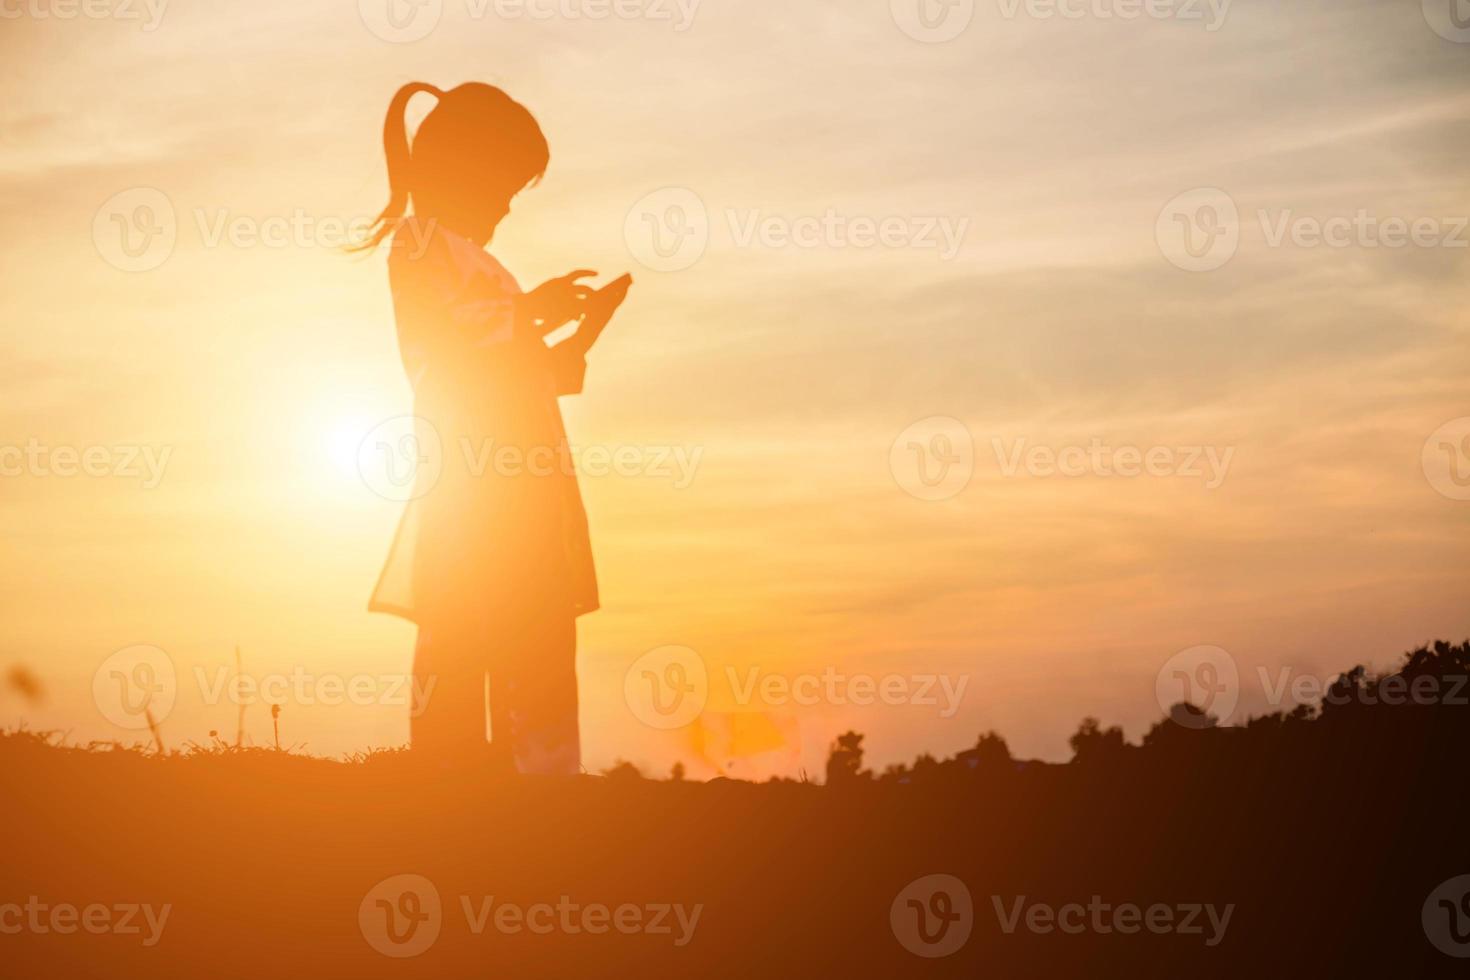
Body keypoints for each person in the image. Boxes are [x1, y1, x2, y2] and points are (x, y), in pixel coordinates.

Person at [355, 80, 631, 773]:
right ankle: (454, 775)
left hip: (524, 468)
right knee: (463, 615)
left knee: (531, 614)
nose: (508, 205)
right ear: (465, 170)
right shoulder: (419, 245)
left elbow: (522, 370)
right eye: (504, 184)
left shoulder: (487, 266)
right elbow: (448, 348)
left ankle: (536, 775)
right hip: (472, 471)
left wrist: (576, 337)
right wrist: (530, 315)